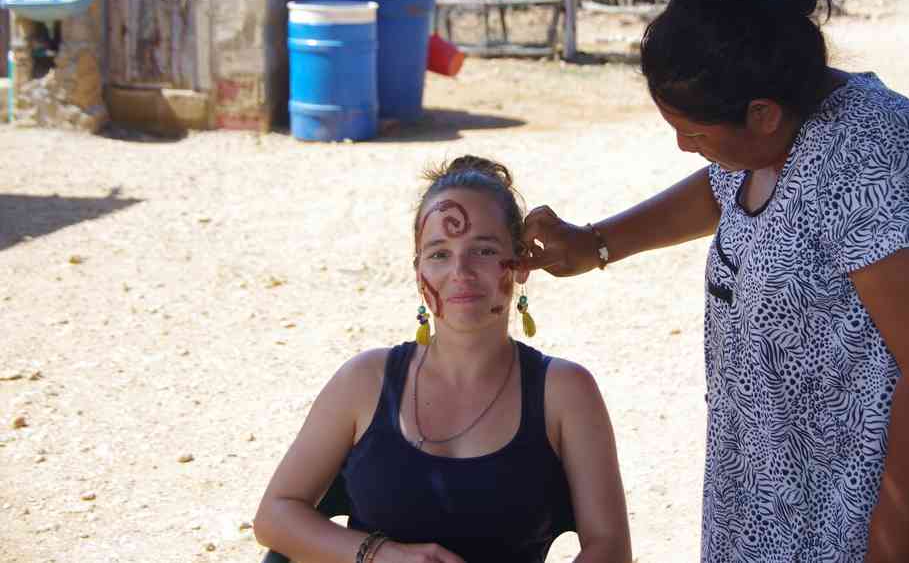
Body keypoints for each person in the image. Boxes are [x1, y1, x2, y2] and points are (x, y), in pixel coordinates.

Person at [519, 0, 909, 562]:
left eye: (694, 133)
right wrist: (596, 244)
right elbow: (722, 190)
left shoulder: (883, 161)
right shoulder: (770, 140)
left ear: (762, 114)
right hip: (769, 509)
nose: (687, 148)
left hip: (860, 528)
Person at [254, 156, 631, 563]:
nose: (461, 271)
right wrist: (381, 555)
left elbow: (608, 547)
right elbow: (275, 514)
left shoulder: (566, 391)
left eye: (484, 250)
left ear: (521, 265)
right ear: (418, 274)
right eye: (438, 254)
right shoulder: (364, 381)